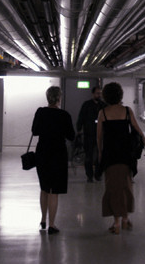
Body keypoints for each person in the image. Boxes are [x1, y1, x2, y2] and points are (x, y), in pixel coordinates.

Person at [97, 81, 145, 234]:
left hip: (110, 155)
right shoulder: (127, 111)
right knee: (126, 186)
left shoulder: (103, 113)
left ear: (106, 96)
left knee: (112, 187)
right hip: (125, 154)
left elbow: (99, 137)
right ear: (120, 95)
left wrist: (100, 154)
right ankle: (125, 219)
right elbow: (138, 130)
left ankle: (116, 223)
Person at [32, 85, 75, 234]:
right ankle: (52, 224)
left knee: (44, 188)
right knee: (53, 191)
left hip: (42, 152)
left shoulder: (40, 112)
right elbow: (71, 136)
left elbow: (35, 131)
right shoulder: (64, 115)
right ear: (59, 98)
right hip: (58, 153)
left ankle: (43, 220)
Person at [76, 85, 105, 182]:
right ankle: (89, 175)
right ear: (93, 94)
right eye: (97, 93)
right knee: (88, 156)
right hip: (89, 134)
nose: (99, 95)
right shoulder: (87, 105)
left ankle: (98, 174)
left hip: (100, 134)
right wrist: (79, 129)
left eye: (100, 93)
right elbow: (81, 117)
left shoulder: (103, 105)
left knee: (99, 155)